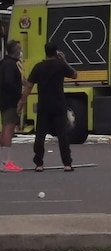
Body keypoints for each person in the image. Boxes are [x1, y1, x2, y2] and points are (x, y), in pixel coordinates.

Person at [19, 43, 77, 172]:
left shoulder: (39, 67)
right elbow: (74, 75)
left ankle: (39, 163)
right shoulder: (61, 66)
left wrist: (22, 101)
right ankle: (67, 163)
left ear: (45, 52)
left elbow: (29, 85)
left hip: (44, 104)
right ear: (56, 52)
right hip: (59, 104)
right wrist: (64, 60)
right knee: (62, 135)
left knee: (40, 134)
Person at [0, 40, 25, 172]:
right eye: (20, 49)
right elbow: (9, 83)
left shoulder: (4, 63)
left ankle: (4, 161)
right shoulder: (11, 65)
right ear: (15, 51)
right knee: (8, 129)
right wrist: (19, 95)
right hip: (10, 101)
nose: (21, 52)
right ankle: (6, 162)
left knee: (5, 129)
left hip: (4, 100)